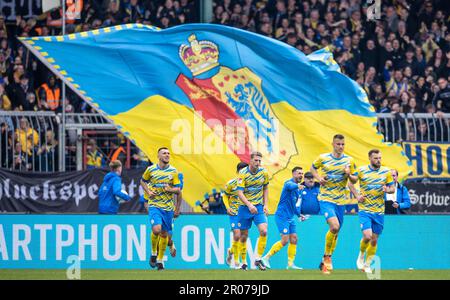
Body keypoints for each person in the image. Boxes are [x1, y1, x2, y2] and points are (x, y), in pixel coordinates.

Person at [310, 134, 358, 274]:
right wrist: (319, 178)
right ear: (332, 144)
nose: (341, 147)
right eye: (338, 144)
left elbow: (354, 180)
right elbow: (312, 168)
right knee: (335, 226)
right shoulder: (323, 158)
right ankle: (328, 258)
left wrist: (349, 174)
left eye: (343, 144)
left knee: (336, 232)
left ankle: (325, 258)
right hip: (326, 199)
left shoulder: (349, 160)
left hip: (340, 201)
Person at [349, 149, 395, 273]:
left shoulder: (386, 172)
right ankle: (361, 255)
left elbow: (392, 189)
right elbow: (350, 183)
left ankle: (368, 264)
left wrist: (387, 190)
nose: (378, 160)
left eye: (380, 158)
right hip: (365, 209)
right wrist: (357, 196)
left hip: (379, 211)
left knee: (374, 239)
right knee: (367, 236)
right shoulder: (362, 170)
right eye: (376, 158)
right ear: (369, 158)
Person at [140, 147, 181, 270]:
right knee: (157, 229)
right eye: (164, 153)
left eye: (168, 153)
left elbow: (178, 189)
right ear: (158, 156)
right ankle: (153, 253)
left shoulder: (173, 171)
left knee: (165, 234)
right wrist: (148, 191)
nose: (167, 155)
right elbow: (142, 181)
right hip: (155, 205)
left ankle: (160, 261)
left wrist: (170, 189)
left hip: (168, 208)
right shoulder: (150, 170)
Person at [261, 166, 305, 270]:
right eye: (299, 173)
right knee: (285, 240)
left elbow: (293, 205)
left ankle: (290, 264)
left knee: (294, 238)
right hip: (282, 216)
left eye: (302, 174)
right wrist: (297, 186)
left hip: (290, 217)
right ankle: (266, 258)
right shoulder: (288, 184)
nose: (301, 175)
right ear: (293, 174)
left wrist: (299, 215)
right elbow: (290, 185)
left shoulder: (297, 190)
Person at [236, 151, 270, 271]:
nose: (258, 163)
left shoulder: (264, 172)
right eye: (255, 160)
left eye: (260, 161)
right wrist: (249, 205)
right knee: (244, 236)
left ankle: (258, 258)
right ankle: (244, 263)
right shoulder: (243, 173)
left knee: (264, 231)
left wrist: (265, 204)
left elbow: (265, 188)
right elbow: (239, 192)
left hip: (258, 207)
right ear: (250, 161)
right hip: (244, 208)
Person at [224, 162, 248, 270]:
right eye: (242, 171)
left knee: (244, 236)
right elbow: (225, 196)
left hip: (245, 213)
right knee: (237, 235)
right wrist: (227, 207)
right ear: (238, 172)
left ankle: (242, 260)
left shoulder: (250, 184)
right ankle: (237, 262)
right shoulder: (231, 183)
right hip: (234, 213)